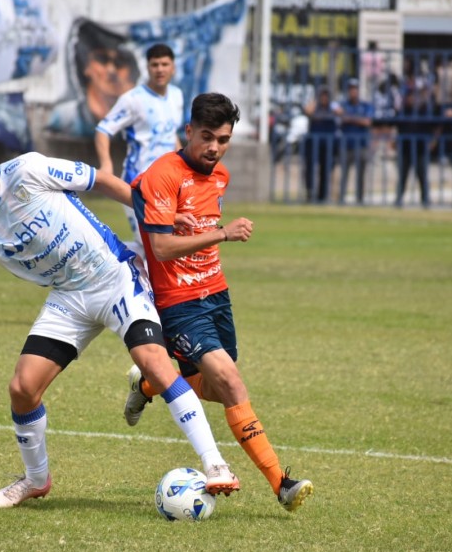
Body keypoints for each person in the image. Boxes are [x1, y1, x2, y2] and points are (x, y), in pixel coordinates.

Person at [0, 136, 239, 508]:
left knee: (155, 364)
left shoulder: (28, 170)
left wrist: (160, 216)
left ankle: (216, 464)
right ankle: (35, 479)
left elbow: (102, 181)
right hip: (68, 298)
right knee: (22, 388)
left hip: (115, 276)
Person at [124, 93, 314, 512]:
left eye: (223, 139)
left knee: (216, 387)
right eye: (206, 136)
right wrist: (222, 234)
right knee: (231, 383)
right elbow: (162, 247)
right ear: (188, 131)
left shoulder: (221, 177)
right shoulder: (163, 174)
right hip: (179, 303)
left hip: (217, 297)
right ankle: (281, 482)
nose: (214, 147)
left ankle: (148, 382)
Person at [94, 43, 184, 258]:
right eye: (155, 64)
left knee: (168, 243)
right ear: (147, 68)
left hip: (168, 183)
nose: (160, 69)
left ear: (173, 68)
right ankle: (101, 257)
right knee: (152, 245)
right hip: (139, 182)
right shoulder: (133, 99)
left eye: (164, 64)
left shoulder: (177, 96)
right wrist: (106, 164)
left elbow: (171, 135)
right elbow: (103, 130)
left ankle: (105, 258)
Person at [47, 19, 139, 137]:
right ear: (86, 66)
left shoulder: (137, 120)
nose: (111, 70)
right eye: (102, 59)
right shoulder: (65, 117)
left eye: (119, 62)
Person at [302, 86, 342, 202]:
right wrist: (314, 104)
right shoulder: (315, 107)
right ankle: (310, 193)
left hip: (328, 145)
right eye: (322, 96)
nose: (324, 98)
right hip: (314, 144)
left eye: (326, 96)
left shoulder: (332, 107)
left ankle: (322, 195)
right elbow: (307, 111)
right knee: (310, 169)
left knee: (326, 170)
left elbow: (341, 113)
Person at [337, 78, 373, 204]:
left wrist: (349, 117)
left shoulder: (365, 105)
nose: (353, 92)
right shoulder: (344, 104)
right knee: (344, 174)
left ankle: (360, 199)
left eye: (355, 89)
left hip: (361, 144)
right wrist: (356, 119)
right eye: (350, 89)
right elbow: (340, 118)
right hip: (347, 145)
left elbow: (367, 122)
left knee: (361, 175)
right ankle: (341, 199)